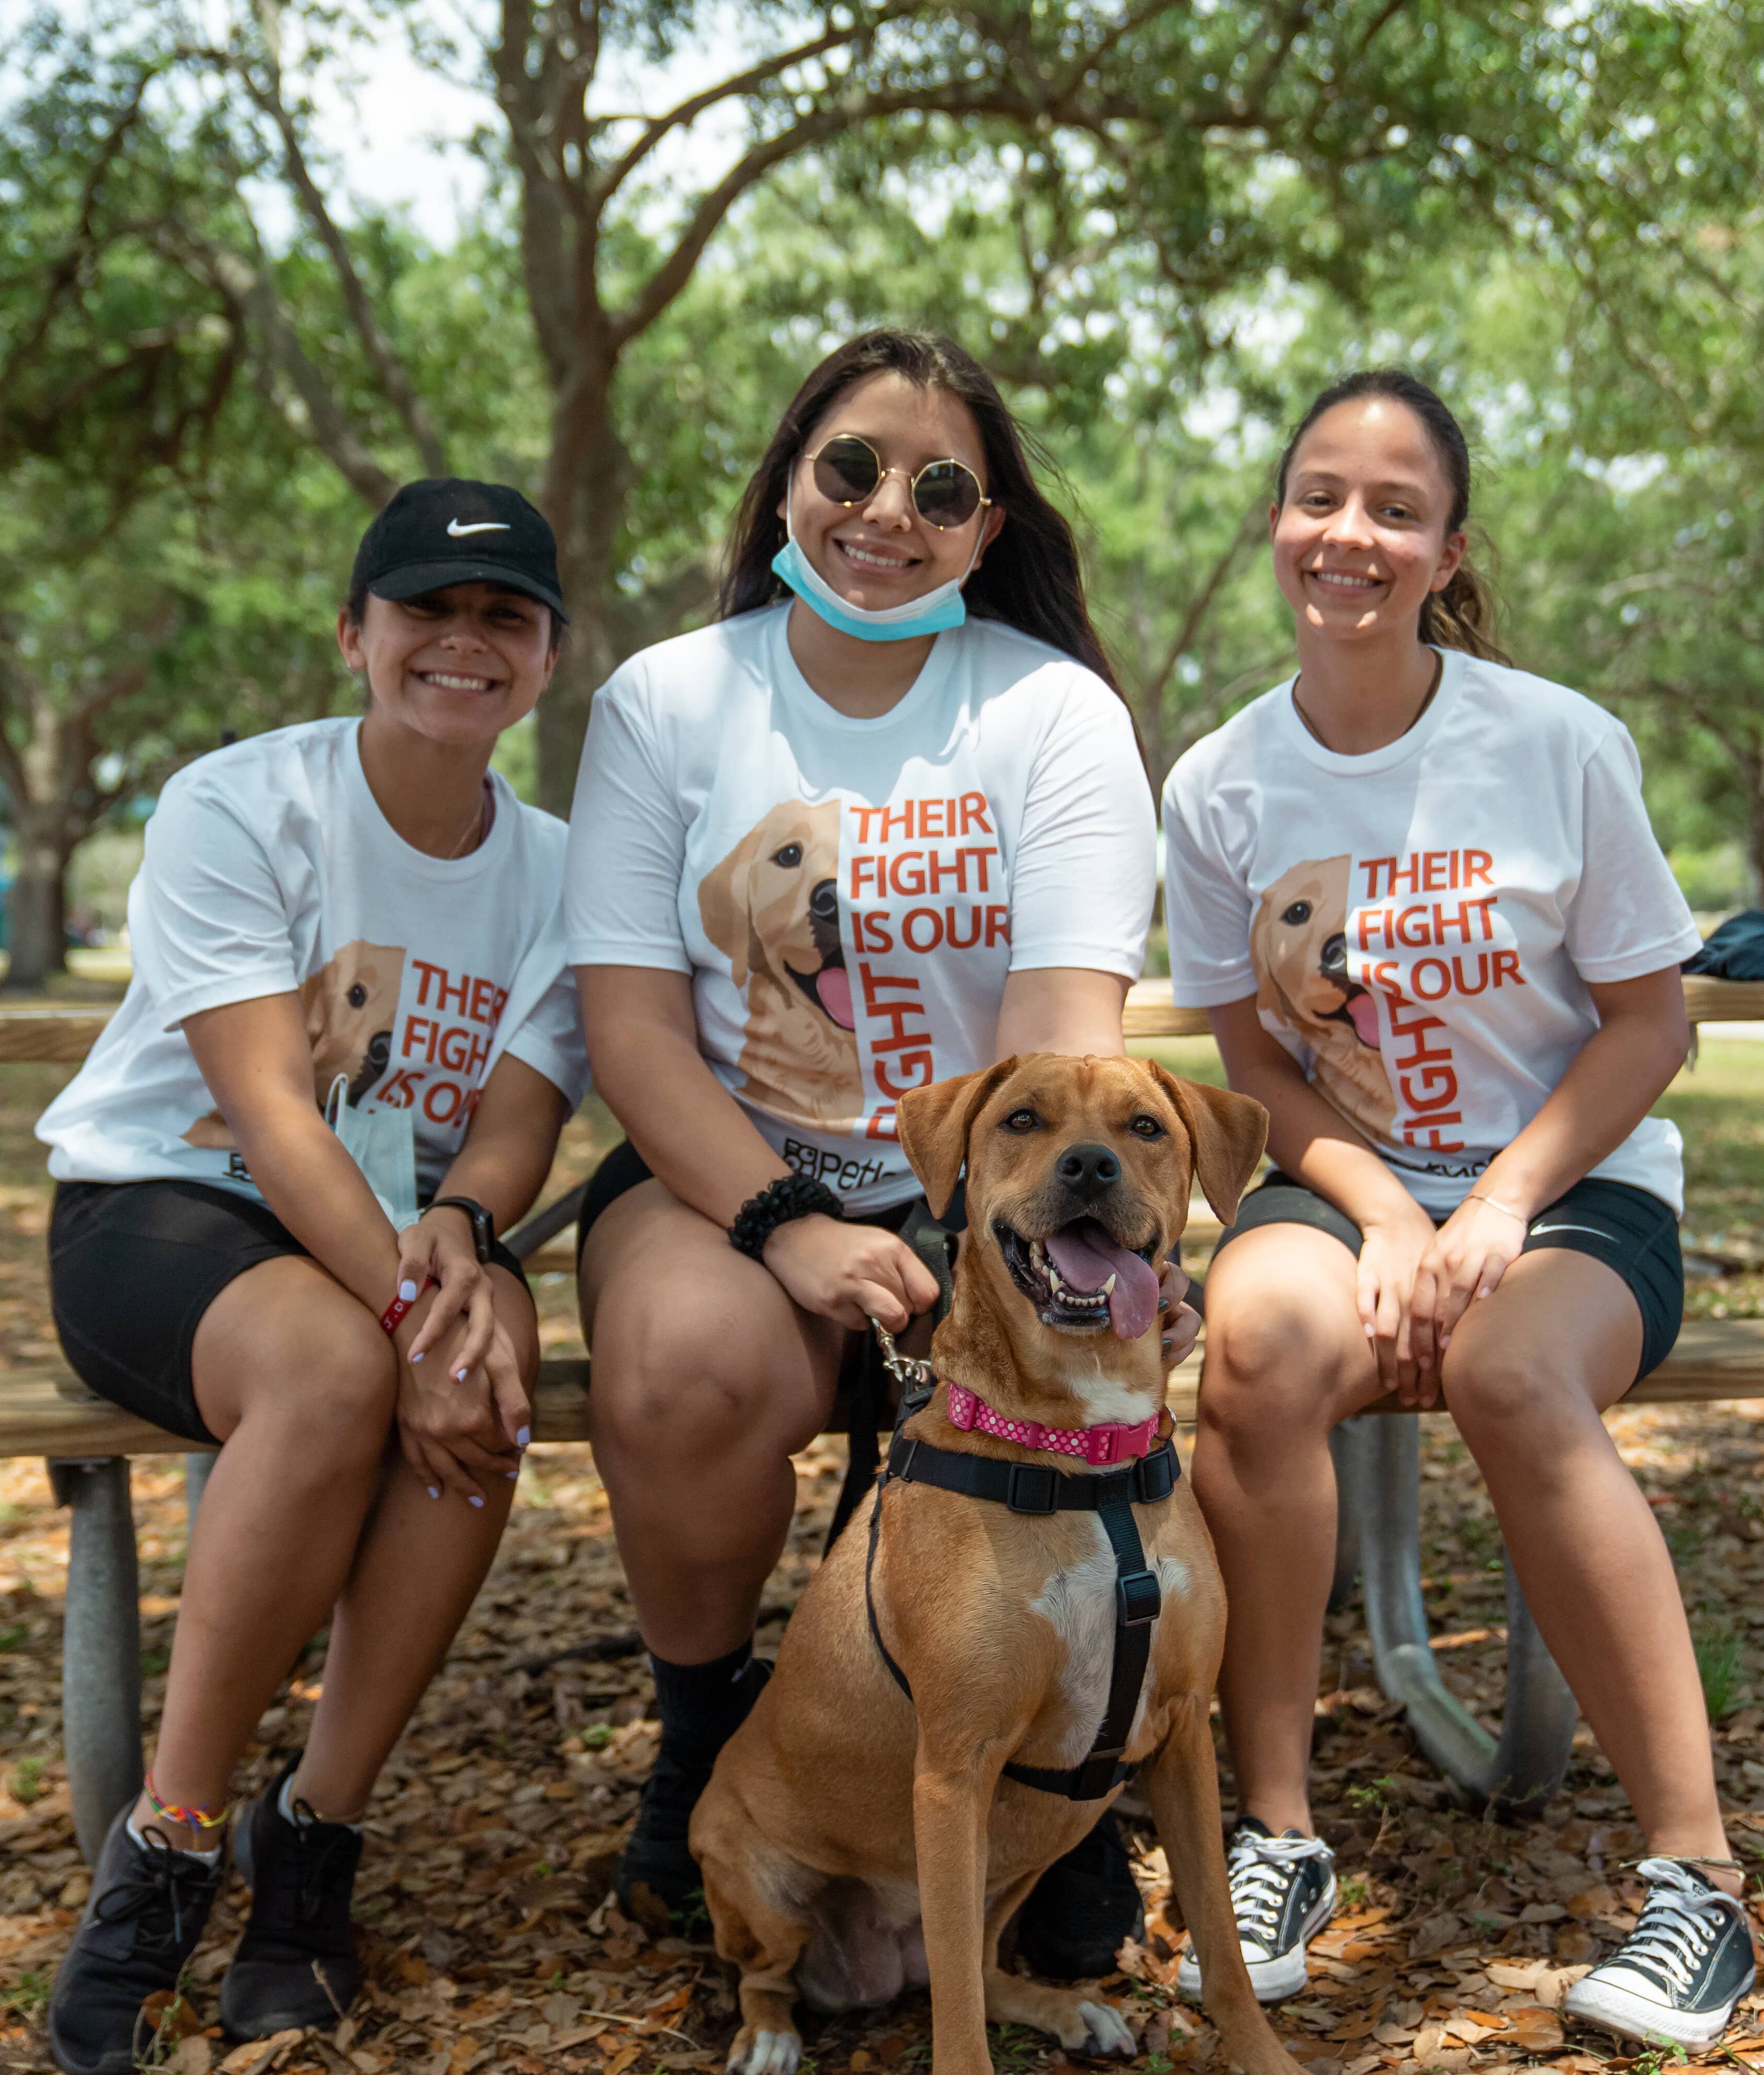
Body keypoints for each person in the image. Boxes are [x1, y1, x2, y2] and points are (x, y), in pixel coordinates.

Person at [561, 328, 1174, 1972]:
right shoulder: (667, 701)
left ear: (988, 530)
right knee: (693, 1366)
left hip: (989, 1168)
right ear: (788, 479)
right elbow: (630, 1030)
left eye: (941, 486)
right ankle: (710, 1734)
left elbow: (1062, 1043)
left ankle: (1057, 1776)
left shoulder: (1054, 713)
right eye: (852, 466)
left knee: (1054, 1352)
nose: (886, 508)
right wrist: (784, 1224)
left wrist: (992, 1247)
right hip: (724, 1159)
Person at [1160, 374, 1755, 2047]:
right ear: (1280, 522)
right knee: (1257, 1355)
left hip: (1575, 1192)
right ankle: (1275, 1835)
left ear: (1445, 551)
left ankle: (1696, 1887)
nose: (1350, 534)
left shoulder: (1555, 742)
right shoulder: (1218, 781)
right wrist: (1390, 1215)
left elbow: (1654, 1022)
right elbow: (1253, 1064)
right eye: (1319, 498)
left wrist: (1496, 1200)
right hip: (1346, 1186)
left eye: (1395, 510)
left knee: (1508, 1374)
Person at [33, 481, 587, 2075]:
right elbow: (271, 1118)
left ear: (548, 655)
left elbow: (519, 1118)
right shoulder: (238, 805)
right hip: (165, 1212)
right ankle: (175, 1843)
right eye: (426, 609)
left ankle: (315, 1837)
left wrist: (466, 1247)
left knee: (482, 1375)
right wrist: (411, 1313)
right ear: (356, 633)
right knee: (344, 1370)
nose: (464, 644)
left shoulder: (557, 869)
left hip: (406, 1242)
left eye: (507, 618)